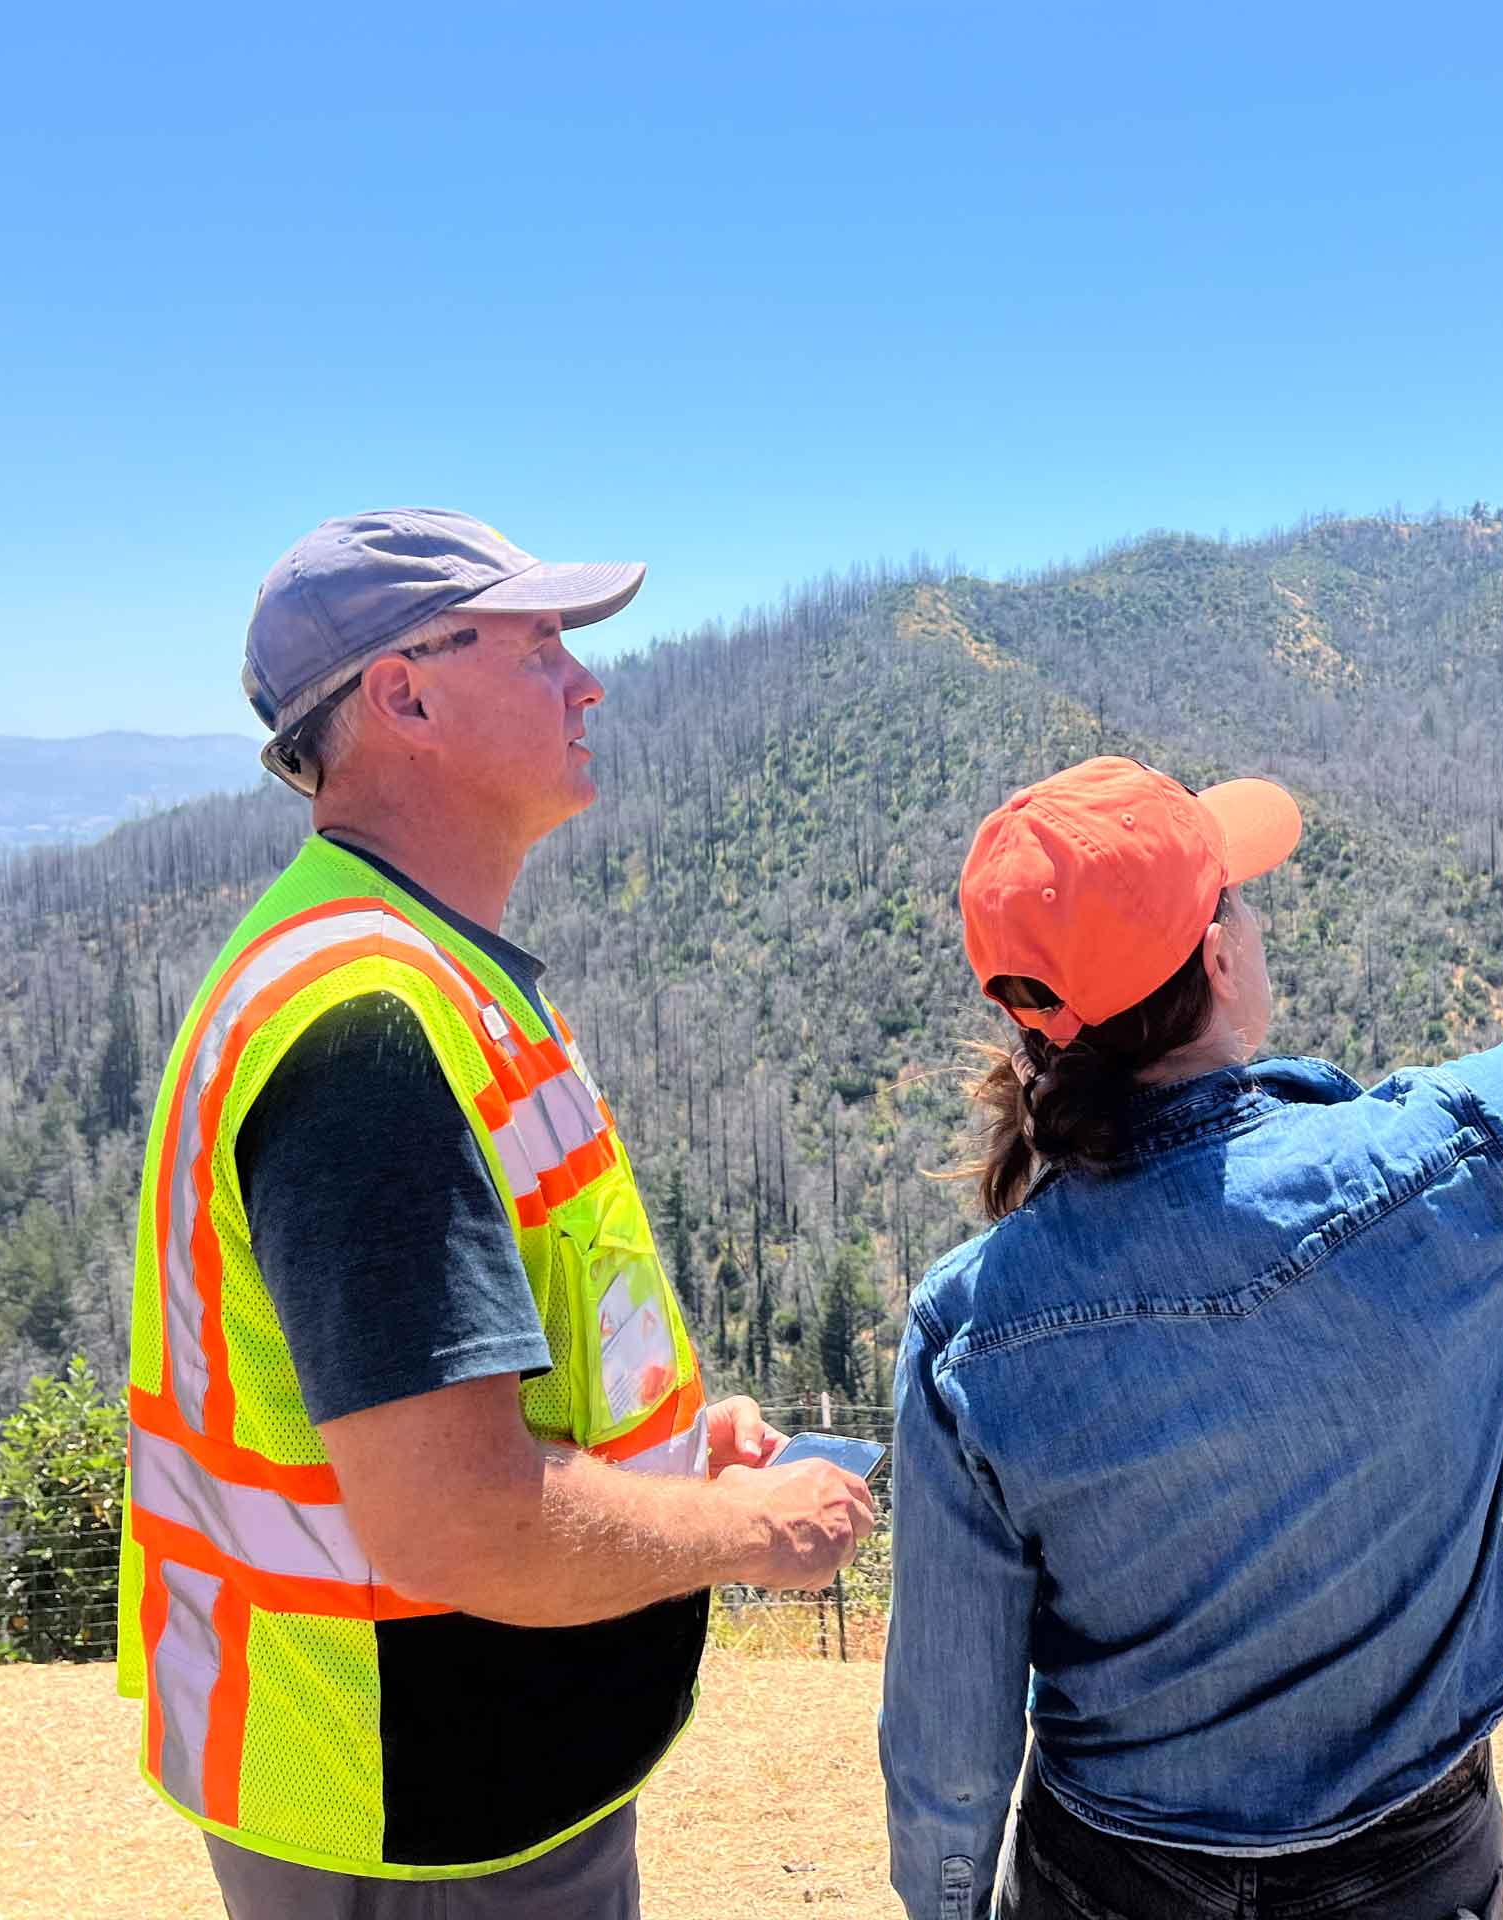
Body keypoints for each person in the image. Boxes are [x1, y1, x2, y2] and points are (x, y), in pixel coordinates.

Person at [881, 676, 1503, 1919]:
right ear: (1220, 954)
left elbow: (948, 1753)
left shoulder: (970, 1330)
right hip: (1414, 1874)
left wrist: (951, 1904)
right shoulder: (1452, 1170)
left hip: (1104, 1881)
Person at [118, 508, 874, 1918]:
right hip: (409, 1805)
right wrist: (750, 1532)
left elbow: (485, 1377)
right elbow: (455, 1521)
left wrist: (669, 1453)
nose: (589, 684)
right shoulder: (364, 1030)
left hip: (463, 1781)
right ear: (402, 693)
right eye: (541, 653)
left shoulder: (423, 970)